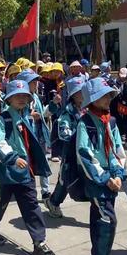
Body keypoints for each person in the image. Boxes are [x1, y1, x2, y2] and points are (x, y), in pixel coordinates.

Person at [0, 79, 55, 255]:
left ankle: (39, 242)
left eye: (25, 96)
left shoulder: (27, 117)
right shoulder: (4, 119)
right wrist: (13, 158)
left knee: (32, 206)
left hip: (25, 173)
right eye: (17, 96)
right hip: (6, 172)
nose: (21, 99)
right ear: (9, 99)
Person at [77, 77, 127, 255]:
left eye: (109, 94)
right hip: (96, 182)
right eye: (103, 95)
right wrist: (105, 178)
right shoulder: (85, 123)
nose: (108, 98)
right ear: (92, 99)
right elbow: (84, 154)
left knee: (100, 221)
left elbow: (117, 150)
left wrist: (117, 174)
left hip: (109, 181)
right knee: (108, 221)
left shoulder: (111, 121)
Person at [46, 76, 85, 218]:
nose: (83, 93)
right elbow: (64, 133)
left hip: (86, 152)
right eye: (80, 91)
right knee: (65, 179)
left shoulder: (88, 108)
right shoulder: (67, 113)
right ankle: (54, 202)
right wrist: (80, 136)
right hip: (71, 153)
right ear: (73, 95)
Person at [17, 69, 54, 201]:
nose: (36, 84)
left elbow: (43, 113)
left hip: (39, 135)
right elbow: (16, 116)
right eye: (33, 81)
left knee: (43, 161)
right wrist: (30, 116)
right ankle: (25, 189)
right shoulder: (19, 99)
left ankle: (45, 191)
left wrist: (53, 105)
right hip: (26, 136)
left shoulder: (36, 97)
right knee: (27, 163)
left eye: (36, 81)